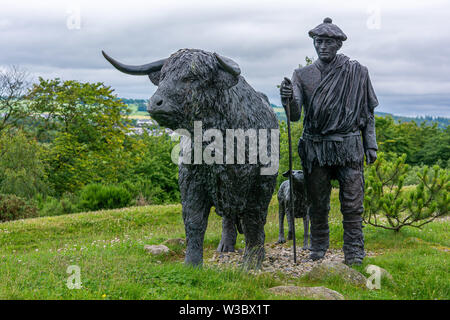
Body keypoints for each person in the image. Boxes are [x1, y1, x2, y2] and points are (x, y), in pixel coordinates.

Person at [280, 17, 378, 265]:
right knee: (317, 202)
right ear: (314, 43)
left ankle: (354, 251)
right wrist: (288, 99)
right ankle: (318, 247)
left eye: (328, 42)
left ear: (338, 45)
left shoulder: (358, 72)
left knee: (353, 203)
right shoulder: (301, 75)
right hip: (316, 147)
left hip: (349, 145)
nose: (323, 46)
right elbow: (294, 116)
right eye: (319, 41)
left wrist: (371, 144)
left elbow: (367, 113)